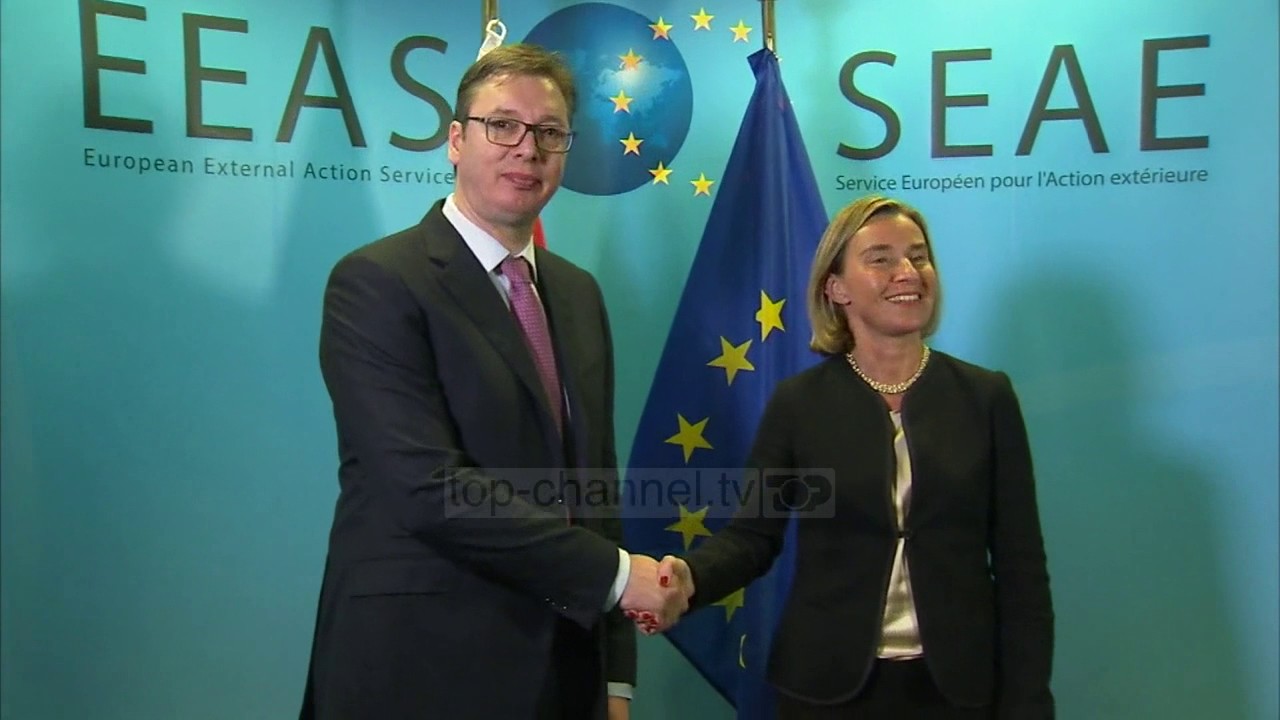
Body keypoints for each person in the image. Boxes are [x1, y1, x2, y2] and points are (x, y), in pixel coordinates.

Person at [298, 43, 686, 720]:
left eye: (549, 132)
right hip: (418, 670)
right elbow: (426, 486)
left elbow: (594, 486)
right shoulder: (378, 282)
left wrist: (615, 676)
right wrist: (621, 576)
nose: (527, 149)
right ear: (456, 140)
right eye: (502, 125)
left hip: (565, 670)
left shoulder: (577, 293)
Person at [652, 195, 1055, 718]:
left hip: (959, 689)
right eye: (881, 259)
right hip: (825, 690)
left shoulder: (985, 397)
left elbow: (1022, 569)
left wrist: (1028, 701)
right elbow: (752, 537)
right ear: (836, 288)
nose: (907, 272)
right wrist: (691, 577)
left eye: (918, 256)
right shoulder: (800, 404)